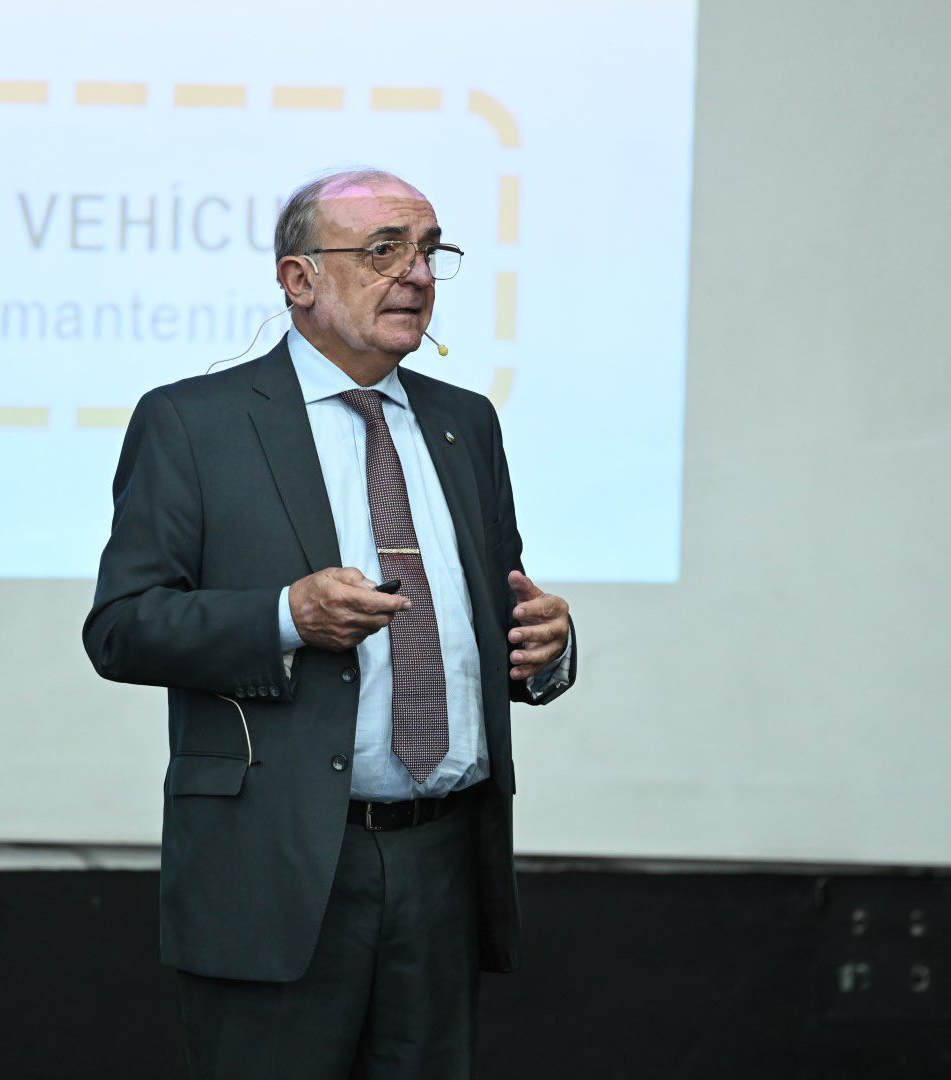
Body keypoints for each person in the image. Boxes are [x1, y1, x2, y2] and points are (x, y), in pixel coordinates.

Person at [83, 168, 576, 1079]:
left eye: (428, 251)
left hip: (443, 860)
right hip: (279, 862)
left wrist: (545, 648)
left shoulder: (466, 424)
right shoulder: (194, 423)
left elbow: (496, 613)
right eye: (383, 251)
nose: (416, 274)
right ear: (298, 278)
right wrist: (284, 616)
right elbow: (121, 626)